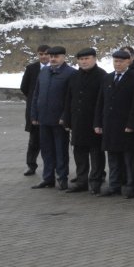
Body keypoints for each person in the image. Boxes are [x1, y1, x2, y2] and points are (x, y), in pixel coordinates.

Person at [94, 49, 134, 198]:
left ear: (128, 62)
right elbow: (101, 102)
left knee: (129, 158)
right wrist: (98, 122)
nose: (117, 64)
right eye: (115, 61)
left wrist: (131, 124)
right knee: (113, 157)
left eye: (121, 61)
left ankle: (130, 185)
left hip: (126, 126)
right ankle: (114, 185)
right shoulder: (108, 78)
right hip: (110, 125)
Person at [30, 46, 76, 190]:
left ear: (64, 57)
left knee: (60, 151)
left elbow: (71, 99)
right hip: (43, 118)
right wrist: (34, 114)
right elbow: (36, 94)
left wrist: (65, 116)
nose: (53, 59)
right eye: (51, 56)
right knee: (46, 150)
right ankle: (48, 178)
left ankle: (62, 178)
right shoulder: (44, 72)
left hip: (59, 121)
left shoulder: (70, 73)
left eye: (57, 56)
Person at [63, 48, 107, 194]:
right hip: (78, 122)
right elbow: (69, 99)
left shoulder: (102, 76)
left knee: (96, 154)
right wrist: (67, 119)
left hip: (94, 123)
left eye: (87, 58)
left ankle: (96, 181)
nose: (84, 61)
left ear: (94, 59)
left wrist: (99, 122)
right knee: (79, 153)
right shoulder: (74, 77)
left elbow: (104, 102)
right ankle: (82, 181)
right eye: (81, 59)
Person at [19, 44, 50, 176]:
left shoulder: (55, 68)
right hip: (34, 112)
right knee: (34, 142)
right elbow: (24, 87)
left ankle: (51, 167)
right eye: (40, 54)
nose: (43, 56)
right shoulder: (31, 69)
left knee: (50, 142)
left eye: (46, 54)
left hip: (51, 112)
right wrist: (34, 100)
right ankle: (31, 165)